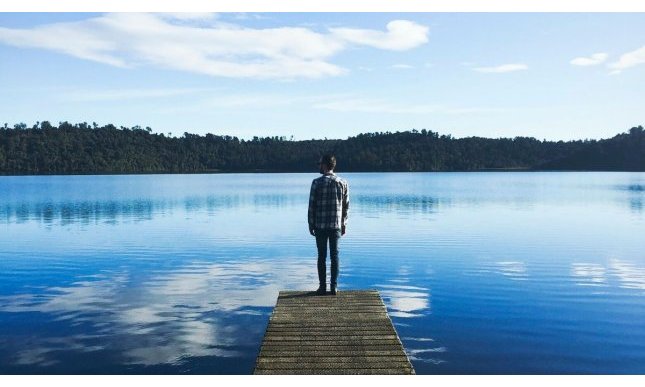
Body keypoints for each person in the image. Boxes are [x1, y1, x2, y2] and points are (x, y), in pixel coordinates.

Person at [308, 154, 349, 296]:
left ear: (325, 165)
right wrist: (344, 224)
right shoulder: (343, 182)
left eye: (320, 163)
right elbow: (346, 207)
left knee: (321, 256)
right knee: (335, 256)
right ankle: (333, 287)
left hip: (320, 225)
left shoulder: (316, 183)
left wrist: (310, 224)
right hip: (336, 225)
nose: (318, 166)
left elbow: (311, 206)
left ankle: (322, 287)